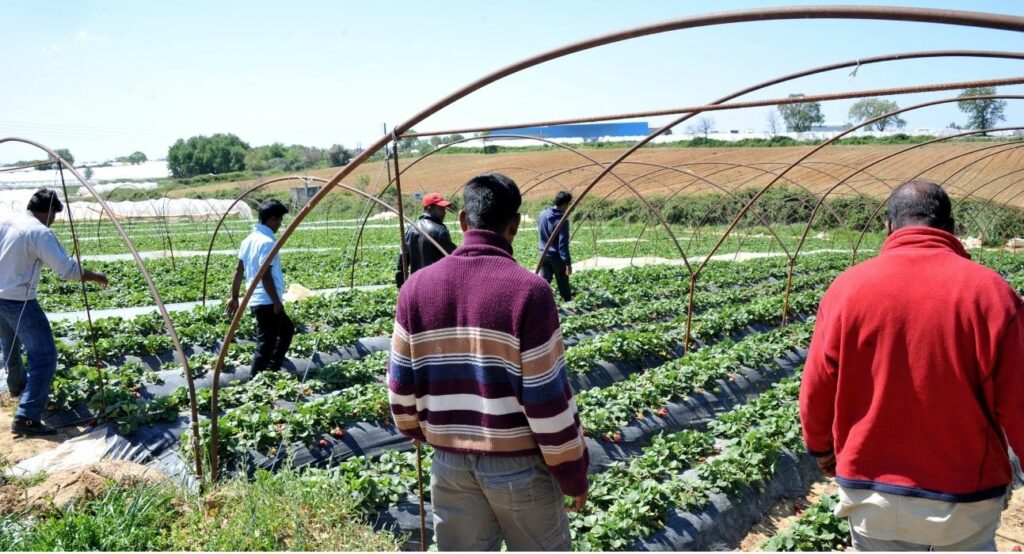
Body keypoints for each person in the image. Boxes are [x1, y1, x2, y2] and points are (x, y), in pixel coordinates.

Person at [800, 179, 1024, 552]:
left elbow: (816, 388)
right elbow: (1020, 402)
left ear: (889, 226)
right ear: (951, 228)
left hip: (872, 498)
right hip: (963, 501)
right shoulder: (992, 295)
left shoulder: (846, 290)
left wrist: (821, 449)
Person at [388, 173, 589, 551]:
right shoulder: (530, 292)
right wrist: (573, 474)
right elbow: (547, 403)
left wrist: (428, 435)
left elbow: (400, 392)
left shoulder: (414, 289)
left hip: (448, 466)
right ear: (514, 225)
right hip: (519, 468)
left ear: (463, 221)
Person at [1, 188, 109, 436]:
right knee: (44, 356)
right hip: (19, 301)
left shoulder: (8, 220)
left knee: (10, 344)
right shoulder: (39, 232)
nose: (53, 221)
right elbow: (66, 270)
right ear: (49, 211)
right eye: (53, 215)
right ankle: (27, 418)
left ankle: (17, 388)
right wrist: (94, 276)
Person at [227, 199, 294, 376]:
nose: (280, 224)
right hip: (266, 300)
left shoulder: (248, 240)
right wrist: (276, 301)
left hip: (256, 298)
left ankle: (272, 370)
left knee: (286, 330)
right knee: (265, 343)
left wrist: (234, 297)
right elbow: (265, 275)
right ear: (271, 219)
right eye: (279, 220)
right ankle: (257, 379)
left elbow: (238, 270)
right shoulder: (267, 242)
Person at [395, 192, 458, 288]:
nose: (444, 212)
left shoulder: (410, 229)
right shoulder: (439, 231)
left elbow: (402, 262)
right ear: (429, 209)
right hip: (436, 285)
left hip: (416, 285)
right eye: (441, 208)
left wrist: (402, 287)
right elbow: (454, 258)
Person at [537, 191, 573, 301]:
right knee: (563, 284)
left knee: (544, 283)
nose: (568, 207)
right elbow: (562, 245)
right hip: (556, 257)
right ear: (565, 204)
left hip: (543, 254)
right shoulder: (562, 220)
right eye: (568, 204)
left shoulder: (542, 214)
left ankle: (537, 303)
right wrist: (568, 263)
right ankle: (570, 305)